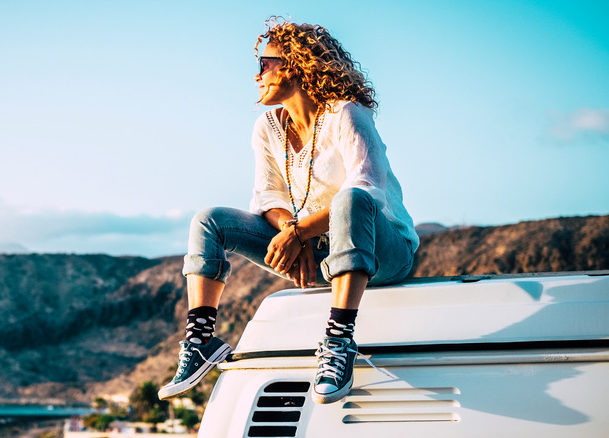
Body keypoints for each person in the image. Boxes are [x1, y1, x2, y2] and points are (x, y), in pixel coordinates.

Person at [158, 19, 419, 405]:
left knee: (350, 199)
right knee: (208, 220)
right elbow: (267, 197)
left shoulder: (346, 114)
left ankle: (338, 342)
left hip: (384, 254)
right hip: (319, 254)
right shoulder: (268, 127)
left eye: (265, 64)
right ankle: (200, 341)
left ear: (296, 65)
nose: (256, 75)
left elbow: (368, 189)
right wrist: (292, 232)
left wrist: (299, 234)